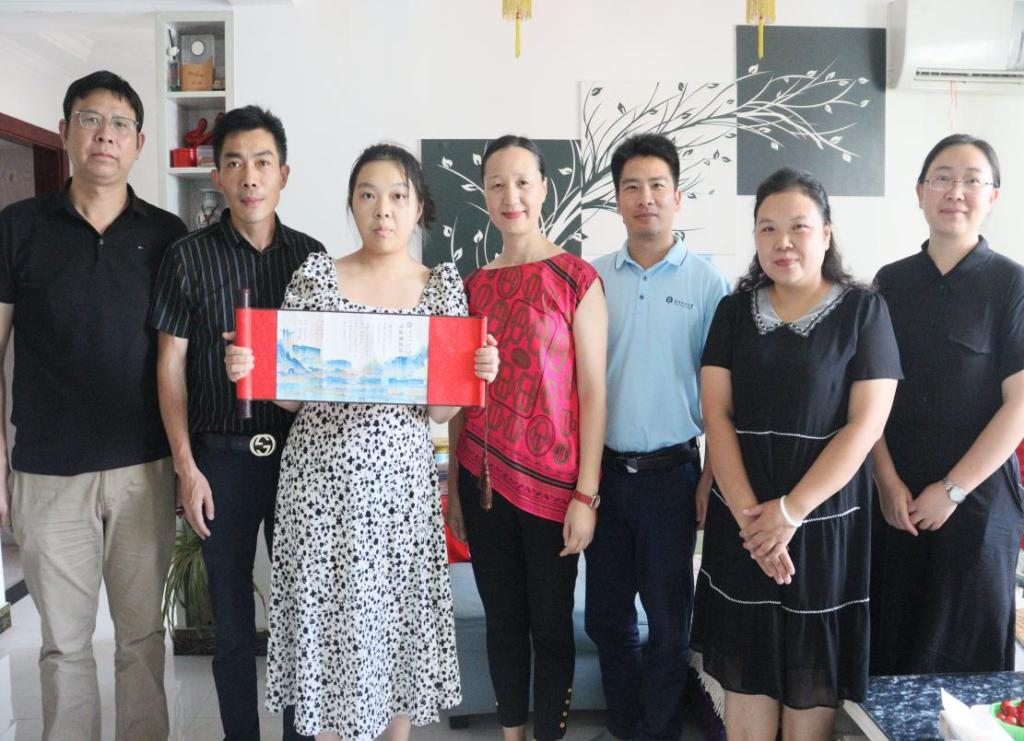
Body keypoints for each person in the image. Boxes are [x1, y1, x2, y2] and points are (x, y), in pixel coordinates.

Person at [225, 142, 499, 740]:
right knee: (328, 632)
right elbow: (292, 396)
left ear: (419, 206)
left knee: (394, 630)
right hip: (319, 491)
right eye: (368, 195)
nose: (383, 210)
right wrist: (252, 367)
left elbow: (439, 410)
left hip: (400, 492)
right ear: (351, 204)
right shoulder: (317, 276)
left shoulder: (441, 288)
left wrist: (475, 373)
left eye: (398, 196)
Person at [0, 70, 186, 741]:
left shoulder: (167, 235)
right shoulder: (18, 227)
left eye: (120, 124)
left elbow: (178, 359)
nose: (105, 135)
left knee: (141, 638)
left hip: (144, 469)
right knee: (64, 645)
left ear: (138, 143)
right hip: (48, 472)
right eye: (90, 119)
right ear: (64, 132)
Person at [691, 168, 901, 741]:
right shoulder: (733, 312)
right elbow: (717, 415)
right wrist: (752, 522)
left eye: (798, 227)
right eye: (767, 228)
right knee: (746, 687)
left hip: (823, 523)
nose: (782, 241)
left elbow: (867, 423)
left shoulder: (865, 311)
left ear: (826, 233)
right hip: (745, 520)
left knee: (810, 693)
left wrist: (789, 512)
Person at [149, 105, 322, 741]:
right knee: (229, 622)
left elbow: (322, 366)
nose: (250, 176)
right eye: (235, 163)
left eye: (263, 162)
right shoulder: (186, 258)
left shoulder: (312, 258)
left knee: (302, 619)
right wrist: (186, 467)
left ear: (284, 174)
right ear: (217, 176)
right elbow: (170, 365)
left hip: (301, 459)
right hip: (219, 460)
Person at [445, 134, 608, 741]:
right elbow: (460, 396)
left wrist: (586, 496)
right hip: (482, 481)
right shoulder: (469, 287)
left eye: (521, 182)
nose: (509, 195)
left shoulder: (577, 278)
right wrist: (454, 493)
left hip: (555, 489)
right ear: (484, 195)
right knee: (503, 623)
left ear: (543, 189)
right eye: (496, 184)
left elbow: (593, 393)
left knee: (550, 626)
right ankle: (511, 733)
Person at [585, 133, 728, 741]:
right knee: (607, 618)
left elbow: (722, 399)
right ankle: (625, 726)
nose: (645, 197)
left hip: (674, 476)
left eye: (657, 186)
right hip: (603, 474)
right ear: (617, 200)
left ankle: (660, 730)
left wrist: (709, 479)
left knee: (670, 623)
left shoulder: (707, 283)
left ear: (677, 196)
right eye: (632, 187)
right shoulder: (591, 279)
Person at [869, 134, 1024, 675]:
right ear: (920, 192)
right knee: (892, 647)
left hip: (978, 503)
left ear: (993, 196)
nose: (955, 191)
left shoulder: (1012, 283)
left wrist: (953, 490)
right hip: (897, 500)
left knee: (968, 660)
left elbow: (1019, 406)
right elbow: (869, 399)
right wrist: (886, 483)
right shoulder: (889, 283)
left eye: (972, 180)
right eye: (941, 178)